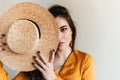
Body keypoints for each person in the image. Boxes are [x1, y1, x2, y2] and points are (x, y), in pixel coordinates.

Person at [0, 5, 96, 80]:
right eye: (54, 32)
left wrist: (52, 77)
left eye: (63, 29)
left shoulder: (84, 61)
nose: (59, 37)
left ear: (72, 31)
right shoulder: (38, 61)